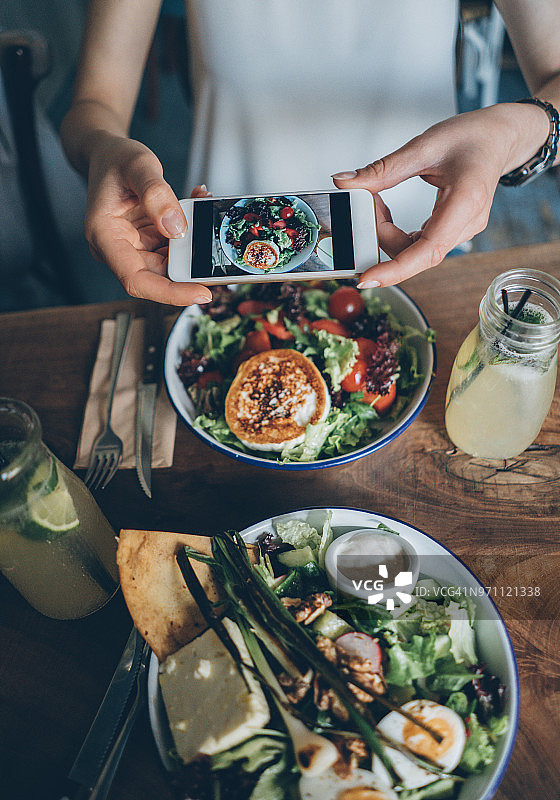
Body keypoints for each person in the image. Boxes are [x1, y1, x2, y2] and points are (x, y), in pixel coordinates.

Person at [61, 0, 560, 307]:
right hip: (210, 261)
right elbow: (93, 104)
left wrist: (507, 135)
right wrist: (103, 146)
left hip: (417, 250)